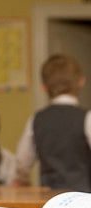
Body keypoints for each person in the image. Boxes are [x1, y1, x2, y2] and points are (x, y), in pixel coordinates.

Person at [13, 54, 91, 192]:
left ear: (43, 87)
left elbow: (22, 162)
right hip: (83, 197)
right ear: (81, 82)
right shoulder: (87, 118)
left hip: (49, 199)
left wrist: (23, 179)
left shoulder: (36, 119)